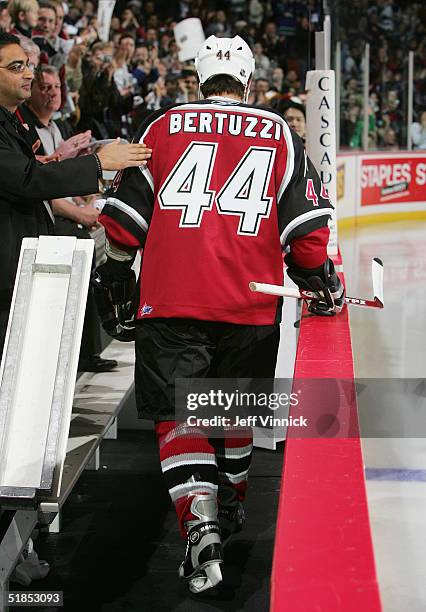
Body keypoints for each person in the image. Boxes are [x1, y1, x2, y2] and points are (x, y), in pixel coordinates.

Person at [97, 35, 344, 595]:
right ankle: (230, 503)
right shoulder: (279, 131)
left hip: (173, 299)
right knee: (230, 407)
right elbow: (306, 237)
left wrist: (115, 272)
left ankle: (200, 519)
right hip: (250, 303)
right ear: (249, 81)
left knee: (179, 415)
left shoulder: (161, 128)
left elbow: (124, 225)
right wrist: (317, 279)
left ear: (198, 81)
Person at [0, 31, 151, 355]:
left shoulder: (11, 122)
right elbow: (26, 180)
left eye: (27, 65)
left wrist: (59, 160)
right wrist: (98, 164)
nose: (29, 73)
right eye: (16, 67)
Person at [18, 64, 116, 372]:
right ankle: (83, 353)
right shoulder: (28, 129)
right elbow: (43, 185)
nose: (50, 93)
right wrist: (81, 213)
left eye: (55, 88)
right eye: (43, 87)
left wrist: (86, 202)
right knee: (80, 243)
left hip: (58, 210)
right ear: (31, 92)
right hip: (42, 217)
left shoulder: (57, 125)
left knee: (104, 230)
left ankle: (87, 345)